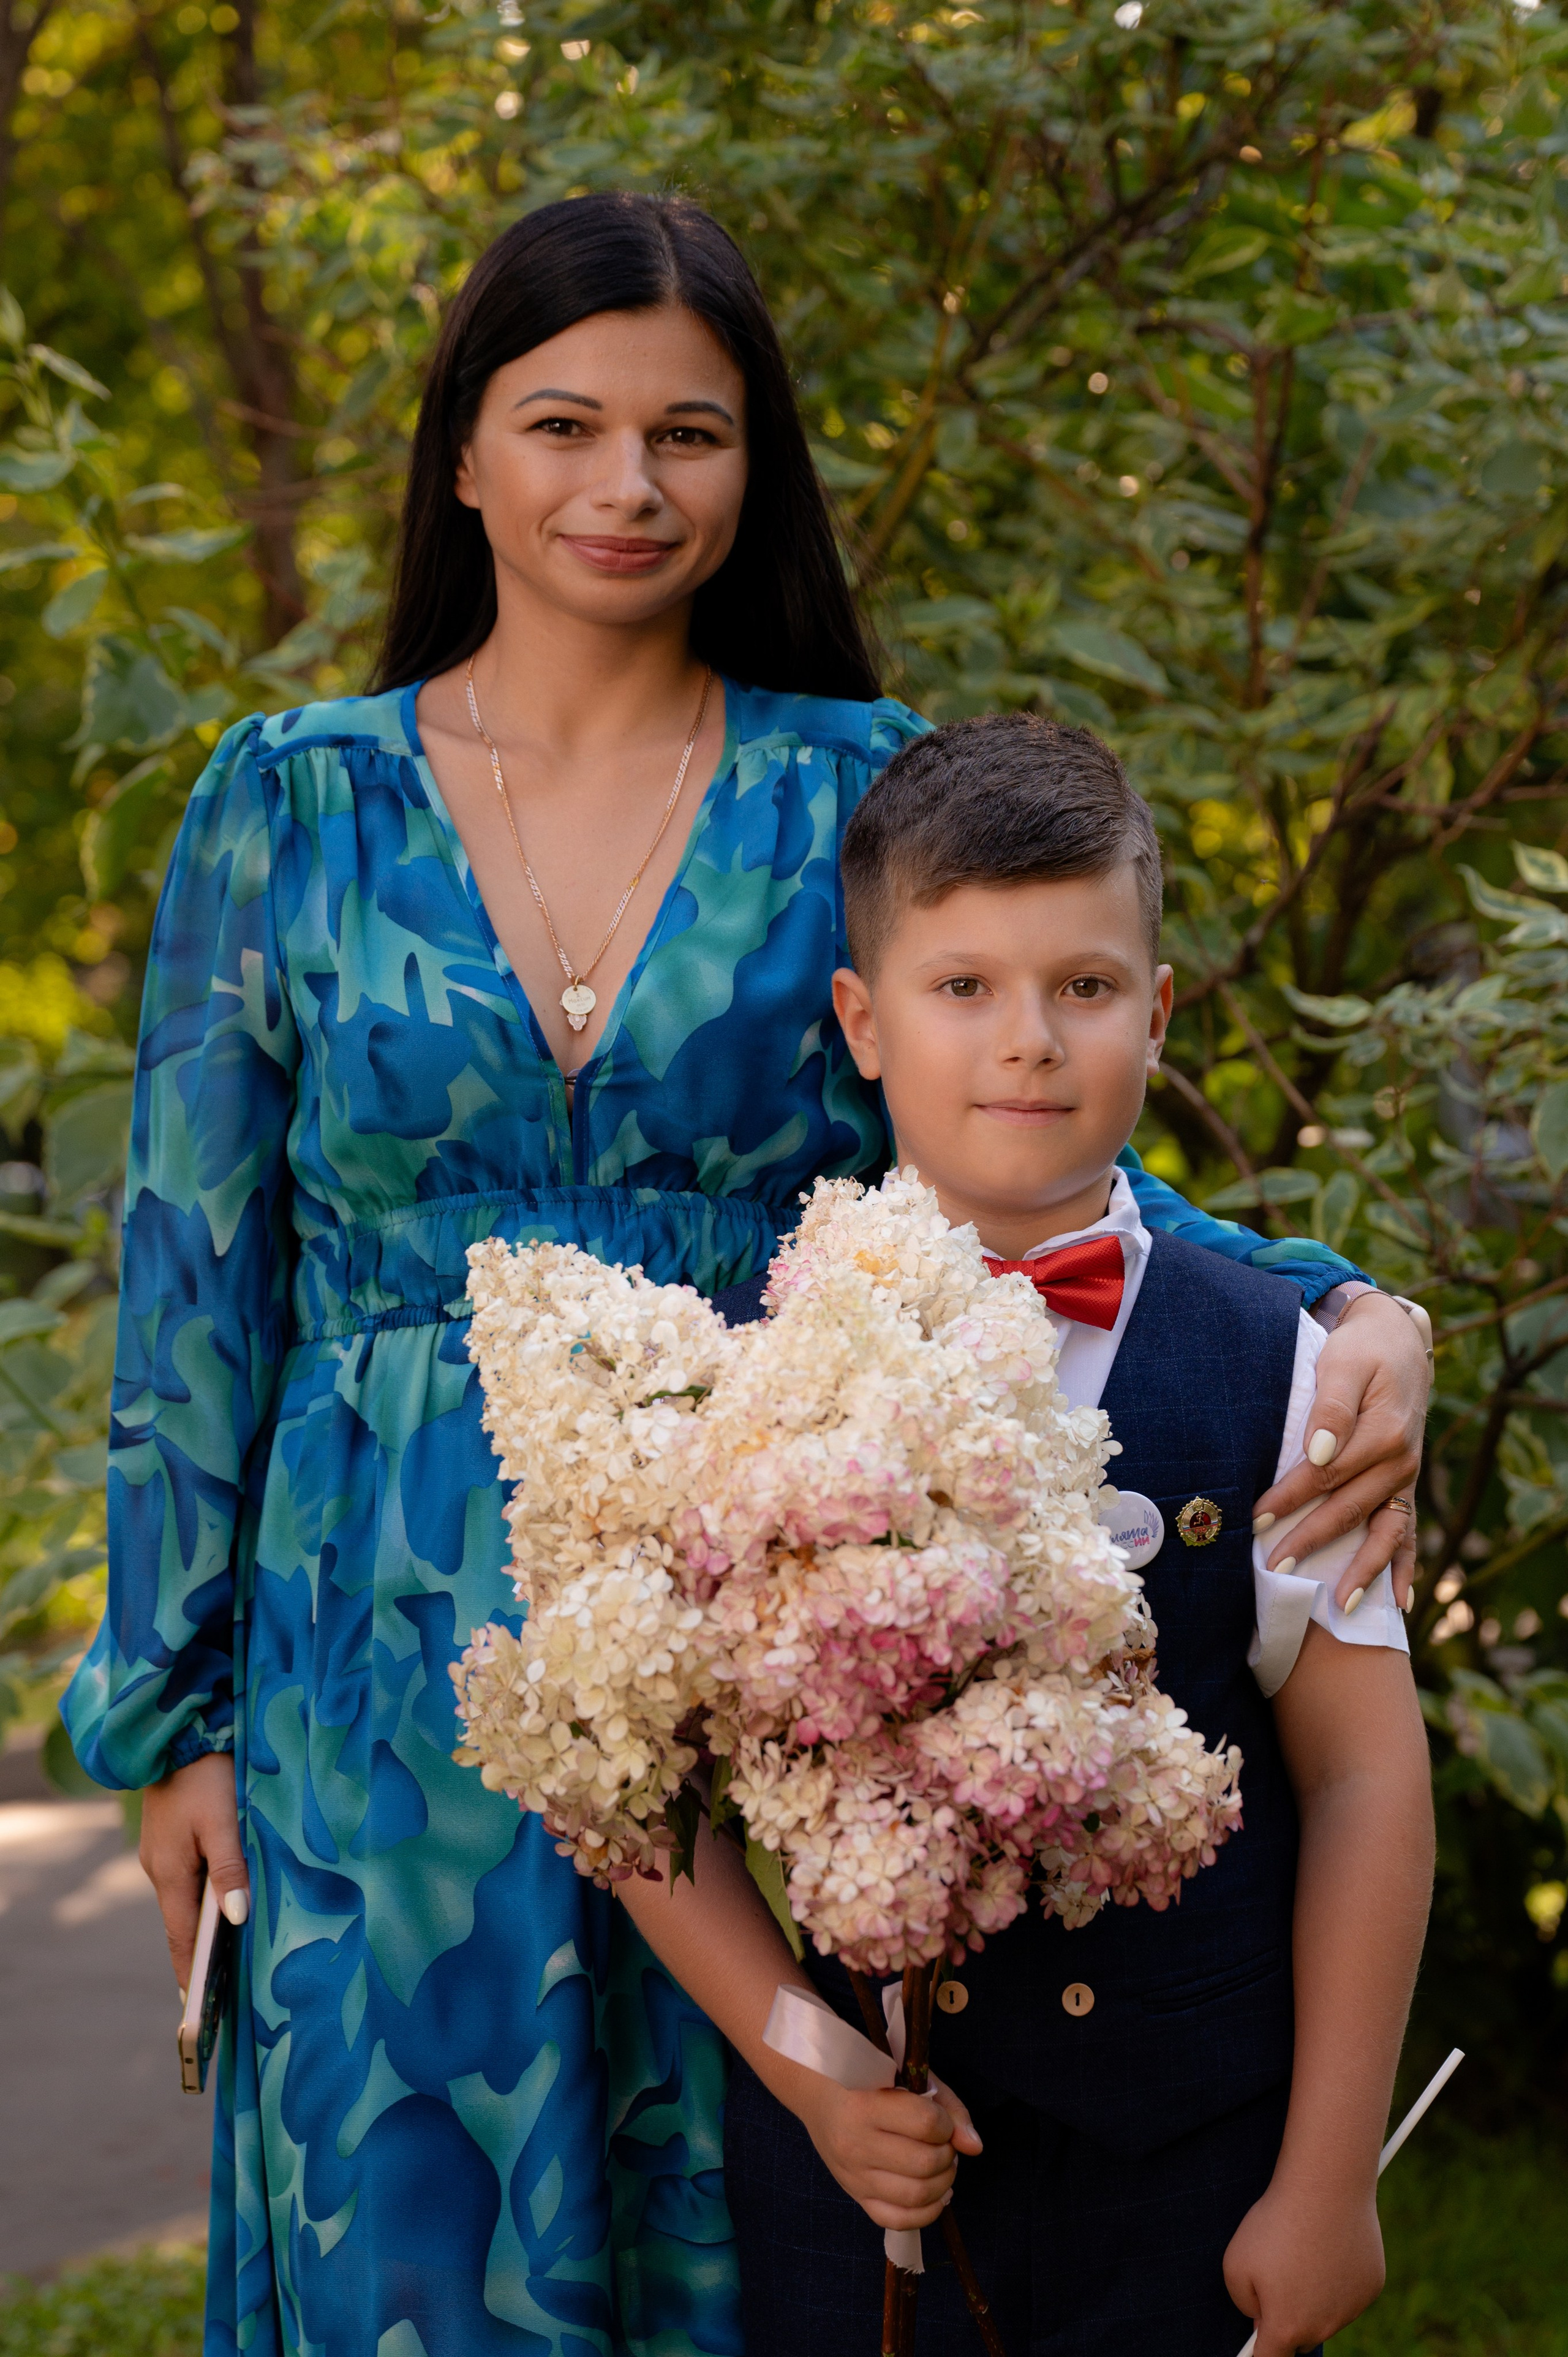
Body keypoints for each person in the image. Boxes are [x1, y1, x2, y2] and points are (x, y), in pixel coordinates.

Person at [60, 194, 1428, 2357]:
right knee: (404, 2260)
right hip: (378, 1676)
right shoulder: (287, 806)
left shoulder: (851, 788)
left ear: (752, 465)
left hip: (763, 1668)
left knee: (772, 2237)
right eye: (565, 425)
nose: (627, 486)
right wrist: (171, 1723)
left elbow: (1032, 1151)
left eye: (688, 434)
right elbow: (192, 1289)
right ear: (466, 457)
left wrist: (1346, 1303)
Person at [620, 716, 1435, 2357]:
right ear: (863, 1021)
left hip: (1192, 2185)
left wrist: (1332, 2179)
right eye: (964, 987)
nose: (1031, 1042)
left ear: (1157, 1009)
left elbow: (1365, 1776)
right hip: (856, 2196)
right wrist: (809, 2066)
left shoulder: (1281, 1366)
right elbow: (639, 1803)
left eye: (1084, 986)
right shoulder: (738, 1368)